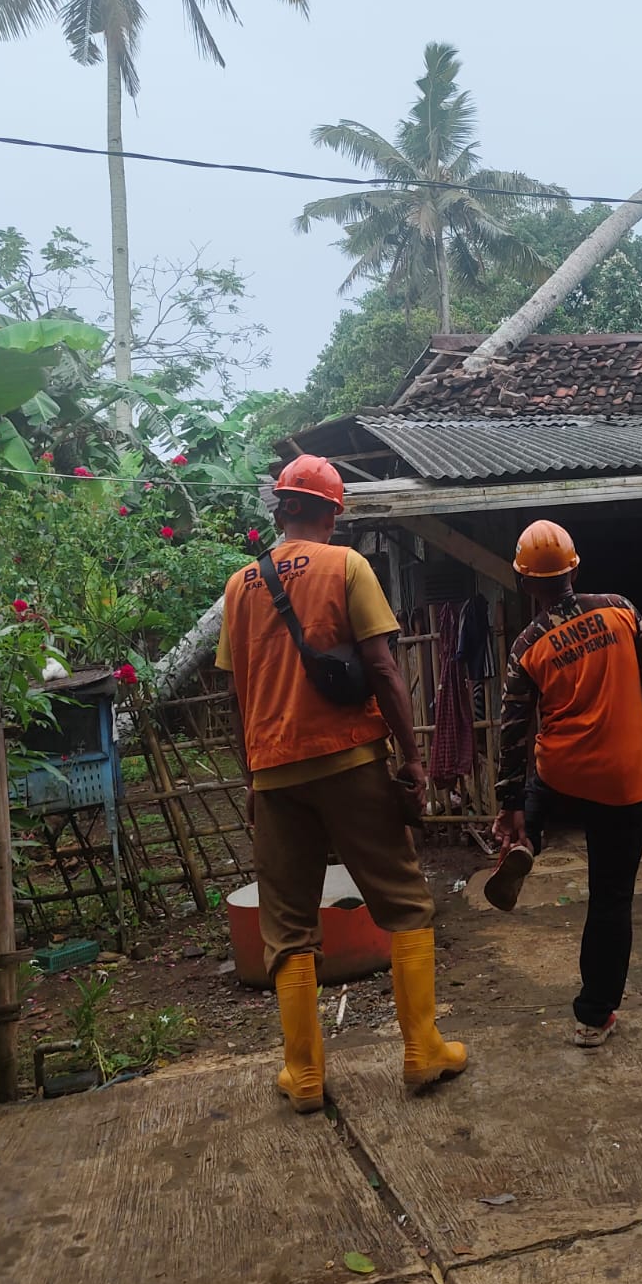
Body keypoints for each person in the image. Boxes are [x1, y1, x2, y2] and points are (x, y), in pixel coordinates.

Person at [216, 454, 466, 1111]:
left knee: (288, 927)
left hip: (273, 774)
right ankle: (422, 1050)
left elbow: (239, 694)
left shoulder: (239, 587)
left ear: (281, 508)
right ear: (329, 511)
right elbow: (382, 669)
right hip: (349, 760)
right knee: (405, 903)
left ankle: (303, 1075)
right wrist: (411, 758)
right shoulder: (346, 566)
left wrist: (252, 777)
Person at [487, 519, 642, 1046]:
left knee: (539, 774)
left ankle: (525, 835)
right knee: (610, 898)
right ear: (574, 569)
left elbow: (511, 733)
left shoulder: (528, 646)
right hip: (621, 778)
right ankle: (594, 1014)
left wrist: (507, 804)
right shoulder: (621, 611)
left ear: (524, 580)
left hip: (560, 771)